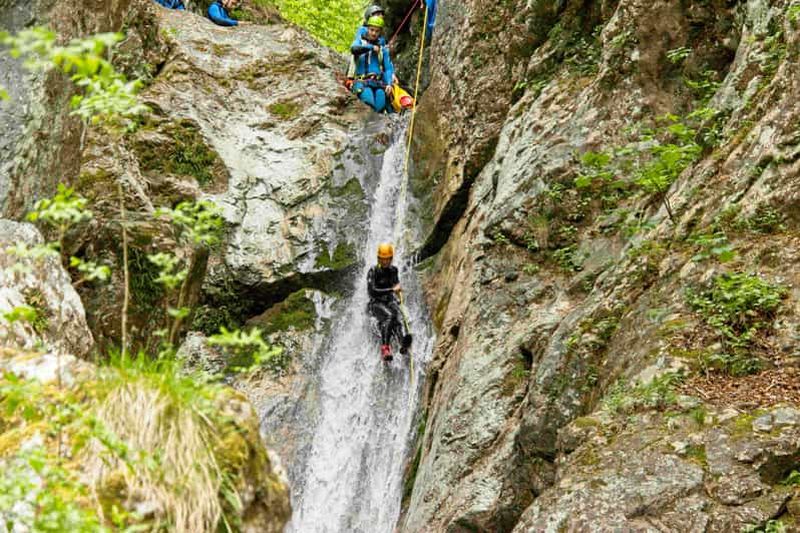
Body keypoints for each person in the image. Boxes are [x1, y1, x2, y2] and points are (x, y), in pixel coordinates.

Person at [367, 243, 412, 361]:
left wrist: (398, 292)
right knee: (390, 316)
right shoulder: (373, 271)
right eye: (383, 259)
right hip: (375, 303)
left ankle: (402, 343)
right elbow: (372, 291)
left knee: (397, 320)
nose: (385, 261)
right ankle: (385, 348)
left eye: (387, 259)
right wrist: (392, 290)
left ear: (391, 258)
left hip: (388, 302)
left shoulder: (393, 270)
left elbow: (396, 284)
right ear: (379, 259)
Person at [349, 15, 395, 114]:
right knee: (368, 102)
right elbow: (354, 49)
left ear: (380, 32)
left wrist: (389, 84)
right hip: (362, 82)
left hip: (378, 84)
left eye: (377, 31)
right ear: (367, 29)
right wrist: (370, 47)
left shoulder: (382, 49)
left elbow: (387, 68)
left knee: (380, 106)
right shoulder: (360, 42)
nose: (374, 33)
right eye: (371, 30)